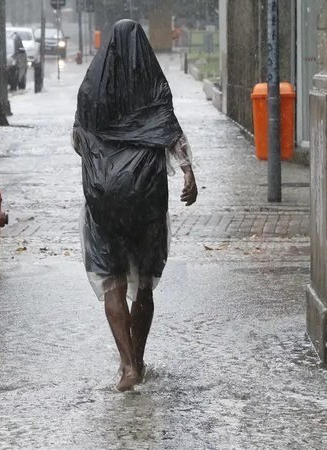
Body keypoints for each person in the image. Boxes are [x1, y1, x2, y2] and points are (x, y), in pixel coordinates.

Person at [72, 20, 198, 392]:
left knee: (112, 280)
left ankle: (127, 366)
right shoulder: (153, 84)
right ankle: (139, 358)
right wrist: (189, 174)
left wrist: (107, 159)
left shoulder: (92, 89)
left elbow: (78, 140)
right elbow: (171, 134)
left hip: (105, 200)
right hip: (146, 199)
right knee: (143, 284)